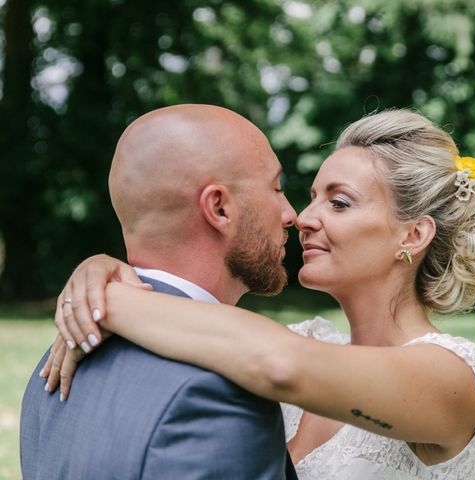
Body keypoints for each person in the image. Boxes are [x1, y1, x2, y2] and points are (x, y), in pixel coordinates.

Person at [44, 109, 475, 479]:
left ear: (412, 236)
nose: (303, 217)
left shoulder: (456, 377)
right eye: (310, 196)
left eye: (339, 202)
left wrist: (112, 301)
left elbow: (280, 364)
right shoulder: (304, 338)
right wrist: (103, 269)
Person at [20, 104, 299, 479]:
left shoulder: (54, 360)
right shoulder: (221, 387)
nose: (291, 214)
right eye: (276, 188)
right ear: (218, 208)